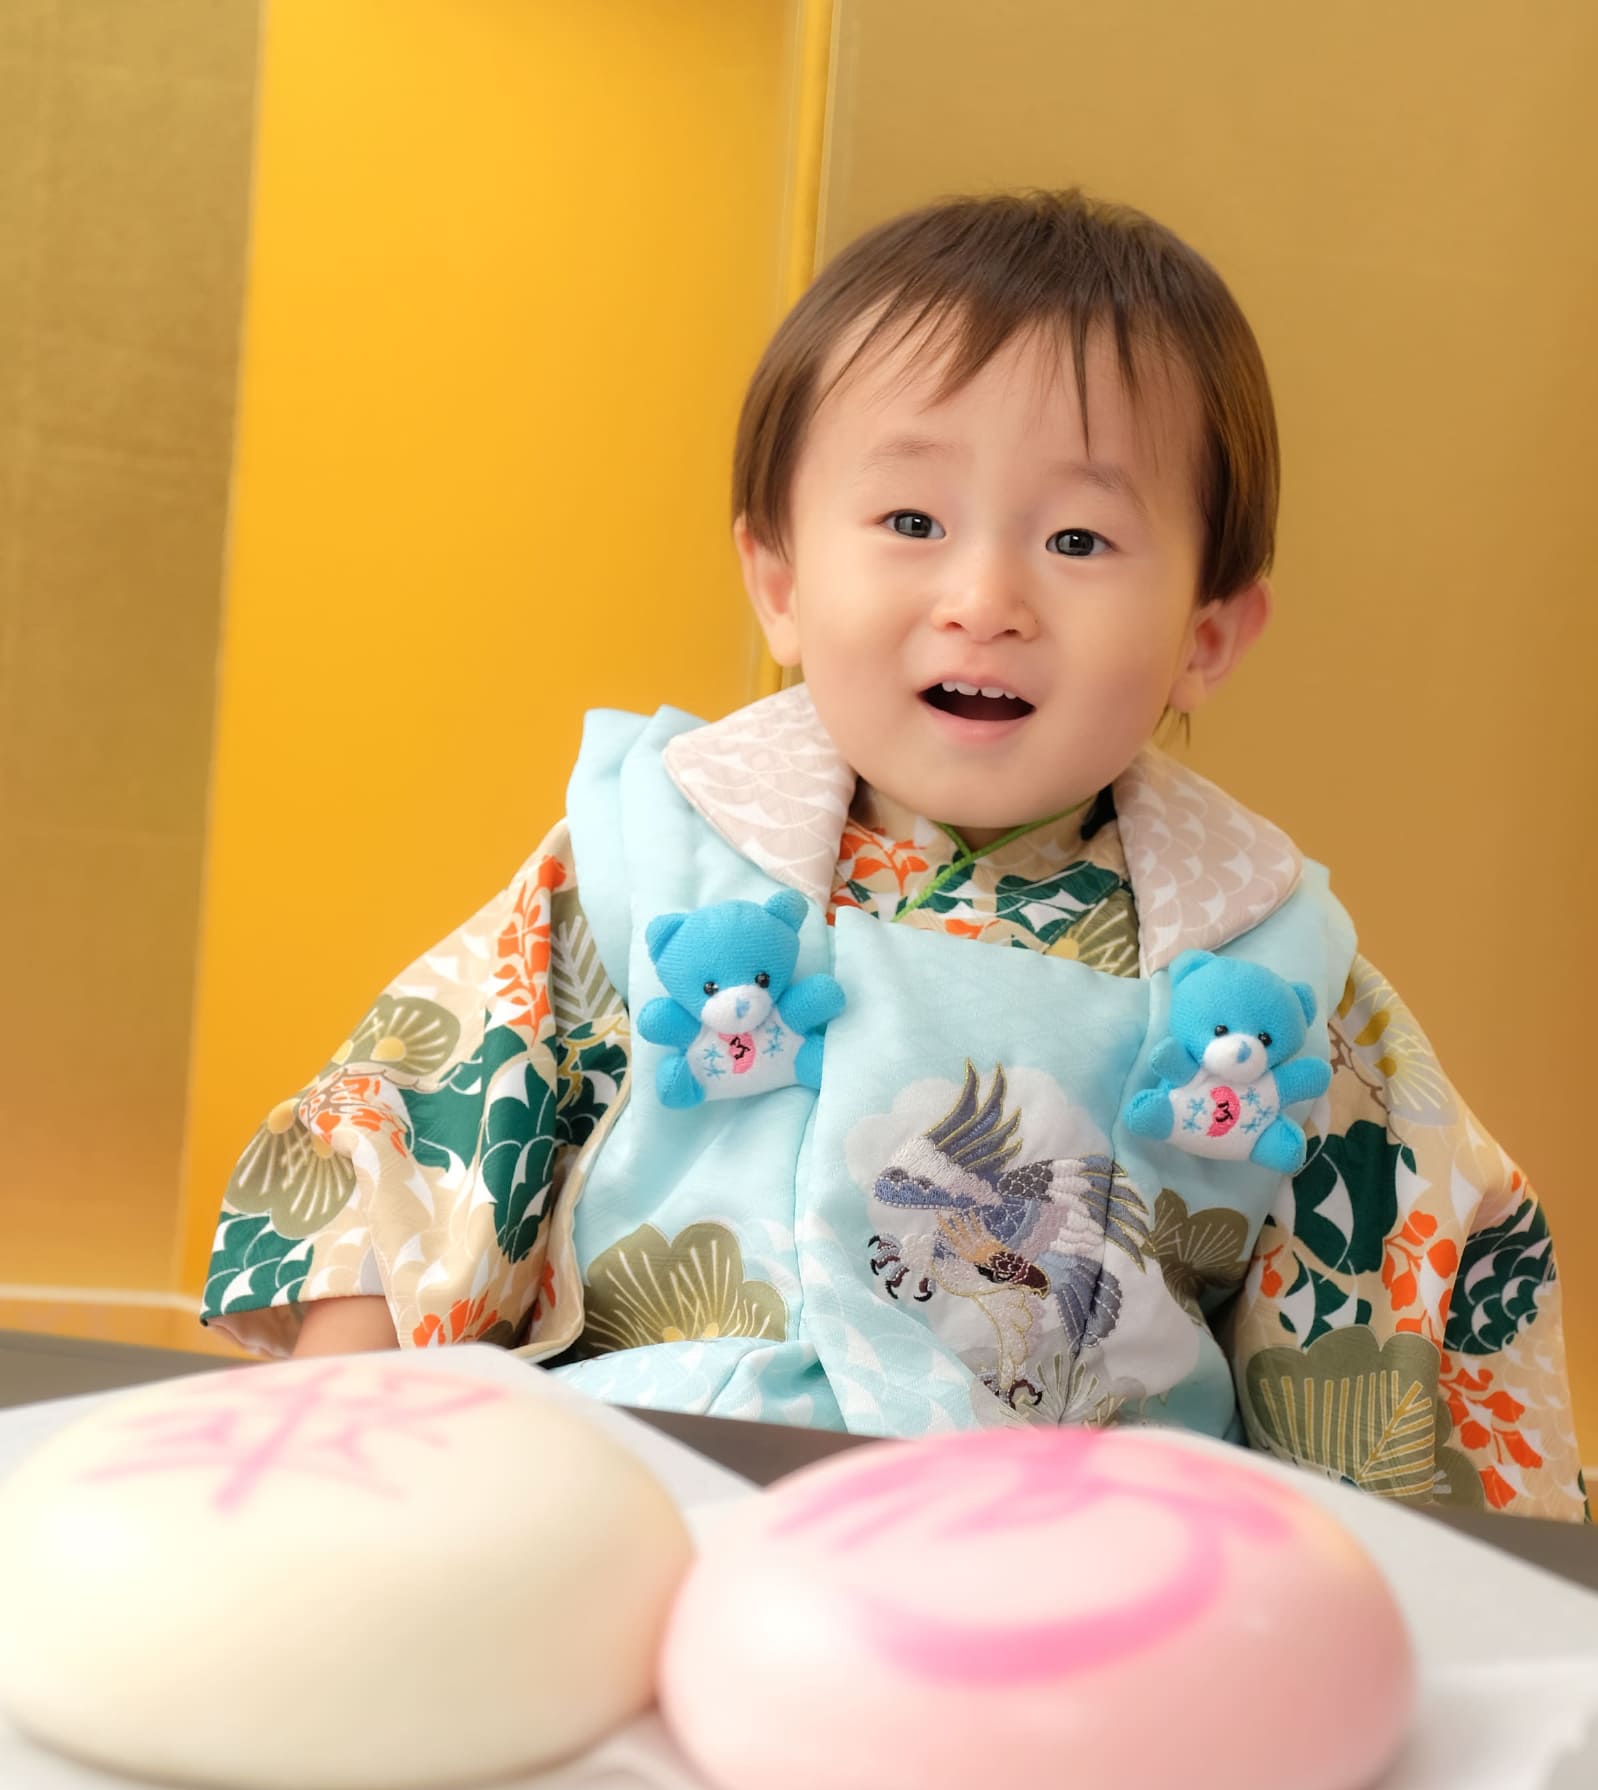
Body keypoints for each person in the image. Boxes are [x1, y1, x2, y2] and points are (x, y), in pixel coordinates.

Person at [203, 189, 1584, 1522]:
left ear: (1205, 637)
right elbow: (431, 1128)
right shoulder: (659, 856)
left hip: (1063, 1534)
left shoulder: (1262, 966)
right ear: (781, 583)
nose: (985, 600)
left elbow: (1404, 1303)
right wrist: (329, 1442)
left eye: (1079, 538)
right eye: (912, 522)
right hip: (656, 1475)